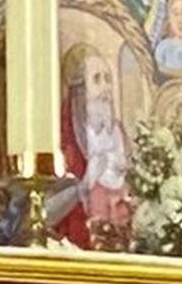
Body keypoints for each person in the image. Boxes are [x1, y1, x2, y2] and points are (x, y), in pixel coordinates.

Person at [57, 43, 133, 242]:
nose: (106, 87)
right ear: (81, 88)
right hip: (80, 236)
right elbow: (53, 204)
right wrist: (87, 181)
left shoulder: (118, 132)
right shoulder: (65, 131)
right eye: (97, 79)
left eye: (108, 79)